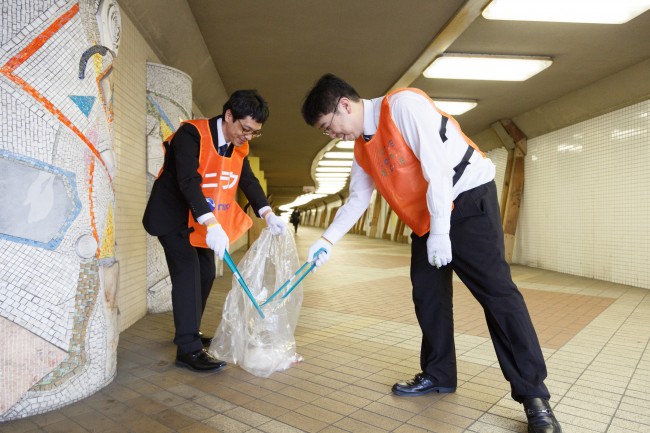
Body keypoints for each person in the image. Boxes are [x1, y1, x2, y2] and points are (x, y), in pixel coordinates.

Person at [300, 74, 561, 433]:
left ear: (344, 105)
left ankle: (534, 396)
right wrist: (327, 241)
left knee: (497, 295)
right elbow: (359, 199)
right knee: (428, 296)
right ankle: (439, 374)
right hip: (428, 216)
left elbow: (436, 165)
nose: (333, 135)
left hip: (467, 198)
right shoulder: (362, 149)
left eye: (330, 127)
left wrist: (441, 230)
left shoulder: (403, 105)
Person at [143, 90, 286, 372]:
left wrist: (267, 213)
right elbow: (187, 180)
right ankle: (188, 350)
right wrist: (210, 223)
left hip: (200, 220)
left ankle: (188, 331)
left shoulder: (238, 146)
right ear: (229, 115)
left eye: (255, 133)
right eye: (245, 129)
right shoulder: (191, 134)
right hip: (173, 216)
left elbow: (247, 179)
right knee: (188, 272)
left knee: (207, 272)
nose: (247, 136)